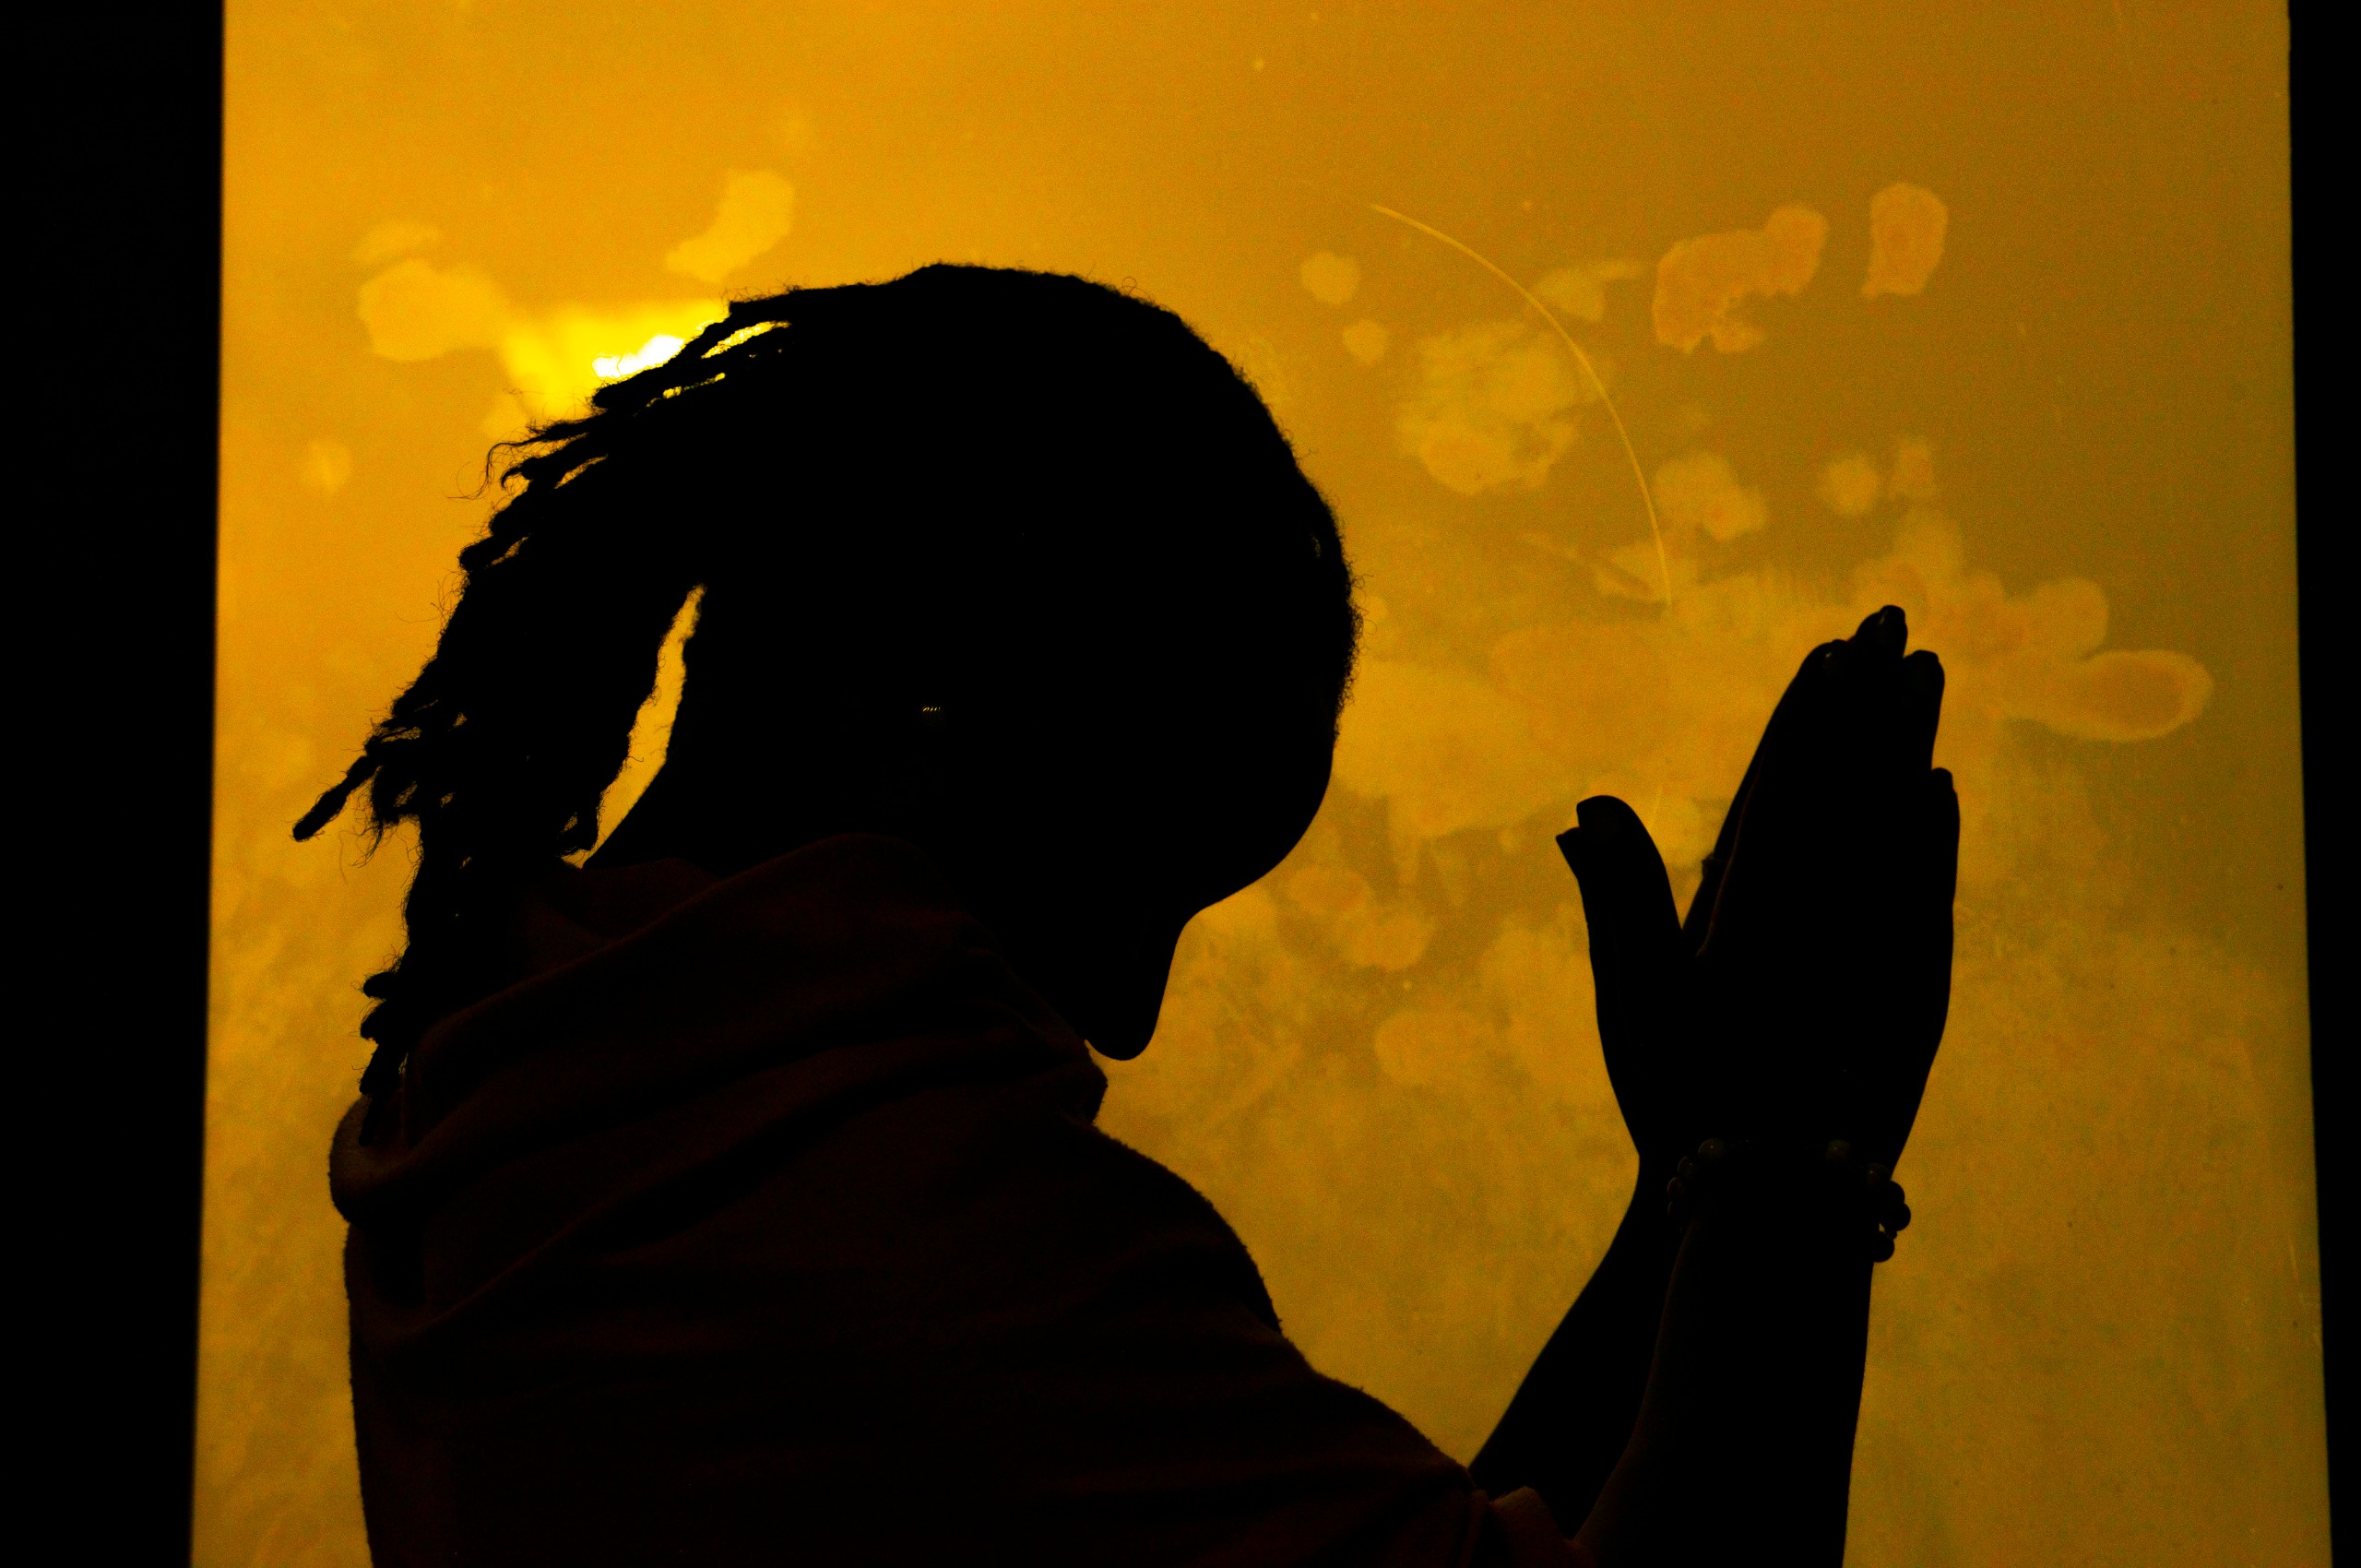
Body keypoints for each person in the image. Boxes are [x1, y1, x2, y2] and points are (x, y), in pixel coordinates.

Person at [299, 264, 1958, 1566]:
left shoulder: (519, 1131)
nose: (1130, 1013)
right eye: (1132, 873)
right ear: (931, 719)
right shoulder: (906, 1233)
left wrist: (1689, 1201)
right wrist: (1789, 1169)